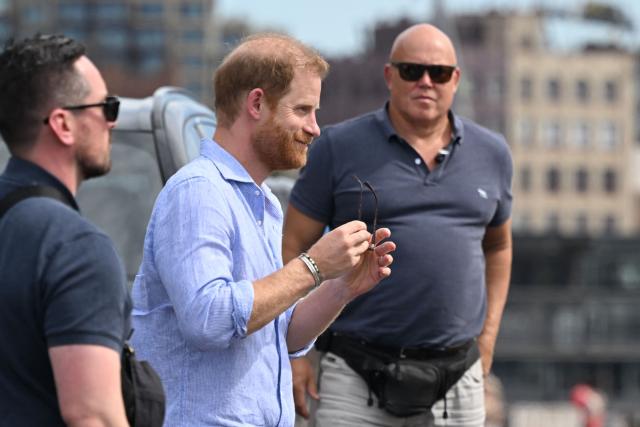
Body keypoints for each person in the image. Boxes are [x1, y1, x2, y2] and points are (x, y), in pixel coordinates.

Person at [130, 33, 396, 426]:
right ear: (256, 103)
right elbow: (209, 319)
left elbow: (277, 335)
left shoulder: (265, 203)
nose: (315, 128)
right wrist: (312, 266)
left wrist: (343, 287)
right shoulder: (198, 191)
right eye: (303, 110)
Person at [285, 23, 513, 427]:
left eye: (438, 72)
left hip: (458, 376)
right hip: (354, 372)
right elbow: (291, 246)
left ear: (455, 80)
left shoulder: (492, 153)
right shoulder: (338, 147)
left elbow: (498, 247)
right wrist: (294, 352)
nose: (426, 81)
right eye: (411, 70)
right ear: (389, 76)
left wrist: (489, 338)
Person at [0, 35, 130, 426]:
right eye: (107, 107)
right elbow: (94, 417)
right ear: (63, 124)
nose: (114, 121)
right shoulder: (75, 247)